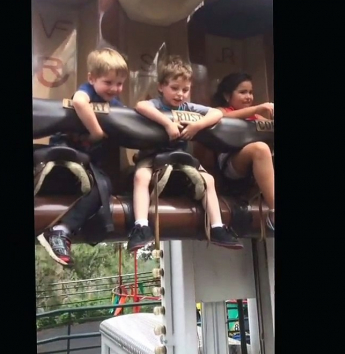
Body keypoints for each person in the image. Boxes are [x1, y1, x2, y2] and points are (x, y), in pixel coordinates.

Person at [127, 56, 243, 251]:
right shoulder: (155, 104)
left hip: (182, 158)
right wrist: (167, 123)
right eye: (174, 88)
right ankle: (140, 226)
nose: (180, 94)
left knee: (209, 181)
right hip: (152, 157)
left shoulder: (188, 108)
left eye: (185, 89)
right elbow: (141, 106)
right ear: (161, 87)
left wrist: (197, 125)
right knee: (140, 177)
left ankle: (217, 227)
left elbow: (217, 113)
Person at [37, 48, 128, 266]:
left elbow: (127, 119)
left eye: (120, 84)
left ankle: (61, 230)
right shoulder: (86, 91)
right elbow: (79, 102)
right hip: (65, 151)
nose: (115, 89)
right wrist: (96, 132)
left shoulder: (114, 105)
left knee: (104, 184)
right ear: (92, 78)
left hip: (89, 162)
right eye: (108, 82)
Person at [210, 72, 274, 230]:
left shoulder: (256, 117)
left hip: (255, 168)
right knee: (260, 148)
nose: (248, 97)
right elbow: (223, 117)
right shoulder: (220, 111)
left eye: (250, 92)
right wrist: (257, 108)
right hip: (230, 166)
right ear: (227, 95)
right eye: (243, 92)